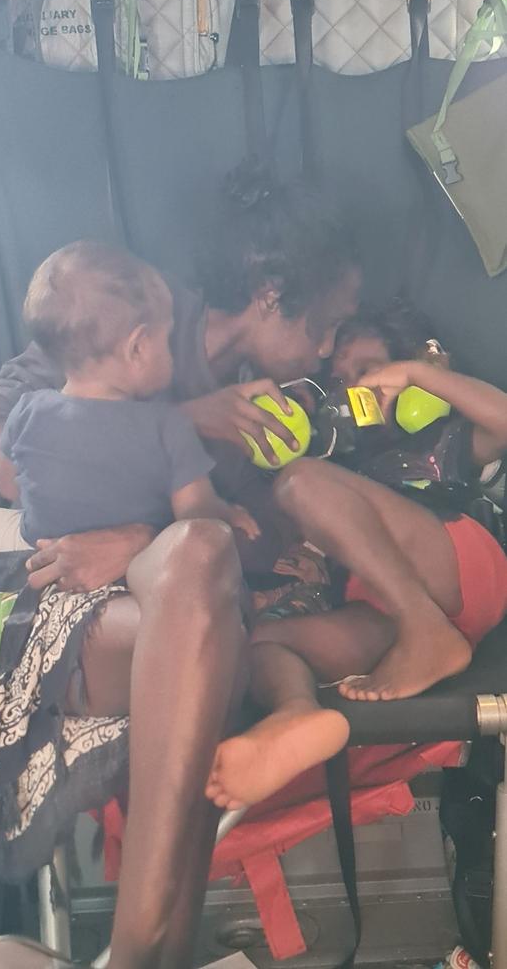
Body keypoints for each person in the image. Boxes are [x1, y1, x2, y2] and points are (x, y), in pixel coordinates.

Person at [0, 161, 363, 969]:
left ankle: (144, 950)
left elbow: (251, 550)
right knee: (196, 568)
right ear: (268, 295)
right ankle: (147, 945)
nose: (326, 353)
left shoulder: (273, 408)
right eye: (322, 327)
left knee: (200, 560)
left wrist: (144, 537)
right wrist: (179, 426)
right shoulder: (118, 322)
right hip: (59, 602)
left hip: (174, 617)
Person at [203, 300, 507, 812]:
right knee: (262, 643)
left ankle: (426, 632)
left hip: (456, 558)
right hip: (382, 611)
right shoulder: (340, 457)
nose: (357, 389)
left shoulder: (445, 438)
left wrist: (417, 374)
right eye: (342, 380)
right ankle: (297, 713)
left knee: (298, 484)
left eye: (367, 370)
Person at [0, 241, 259, 651]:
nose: (174, 351)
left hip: (36, 570)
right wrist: (229, 510)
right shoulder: (168, 426)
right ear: (137, 348)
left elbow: (10, 485)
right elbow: (197, 519)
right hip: (130, 582)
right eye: (167, 338)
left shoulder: (26, 411)